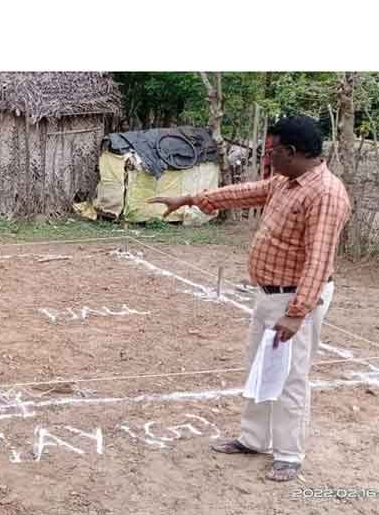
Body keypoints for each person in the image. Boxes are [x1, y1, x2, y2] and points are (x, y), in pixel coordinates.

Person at [149, 116, 351, 482]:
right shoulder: (287, 181)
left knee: (291, 377)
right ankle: (254, 439)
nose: (268, 156)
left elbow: (319, 259)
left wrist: (297, 313)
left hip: (294, 298)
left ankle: (288, 454)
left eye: (272, 150)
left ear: (291, 152)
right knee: (260, 367)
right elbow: (246, 192)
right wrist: (192, 198)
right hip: (269, 293)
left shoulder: (326, 194)